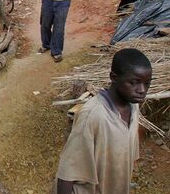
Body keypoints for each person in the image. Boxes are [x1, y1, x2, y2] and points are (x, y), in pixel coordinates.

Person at [54, 48, 152, 194]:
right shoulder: (93, 115)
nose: (142, 90)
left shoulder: (133, 107)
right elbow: (67, 173)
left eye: (147, 83)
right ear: (114, 77)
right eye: (134, 82)